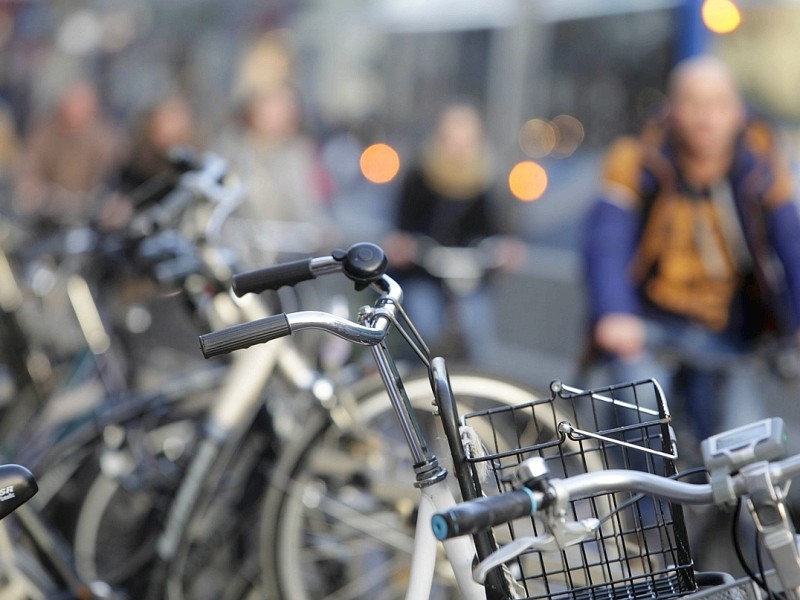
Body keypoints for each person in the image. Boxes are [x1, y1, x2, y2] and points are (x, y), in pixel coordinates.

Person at [582, 55, 800, 444]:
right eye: (694, 104)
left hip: (729, 332)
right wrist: (615, 311)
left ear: (737, 112)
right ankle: (647, 506)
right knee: (641, 419)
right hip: (650, 324)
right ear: (672, 109)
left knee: (747, 444)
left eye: (718, 104)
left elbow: (792, 243)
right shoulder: (636, 159)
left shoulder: (764, 165)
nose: (706, 117)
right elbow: (606, 241)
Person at [384, 102, 525, 365]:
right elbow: (400, 229)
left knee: (478, 330)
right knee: (422, 326)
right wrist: (404, 246)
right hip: (424, 274)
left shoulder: (490, 180)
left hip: (472, 278)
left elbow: (505, 230)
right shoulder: (420, 175)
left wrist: (507, 251)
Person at [14, 79, 127, 232]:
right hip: (46, 212)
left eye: (80, 105)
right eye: (70, 103)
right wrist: (34, 190)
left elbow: (107, 179)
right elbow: (30, 169)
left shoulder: (104, 140)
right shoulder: (44, 132)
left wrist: (87, 201)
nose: (73, 110)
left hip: (86, 215)